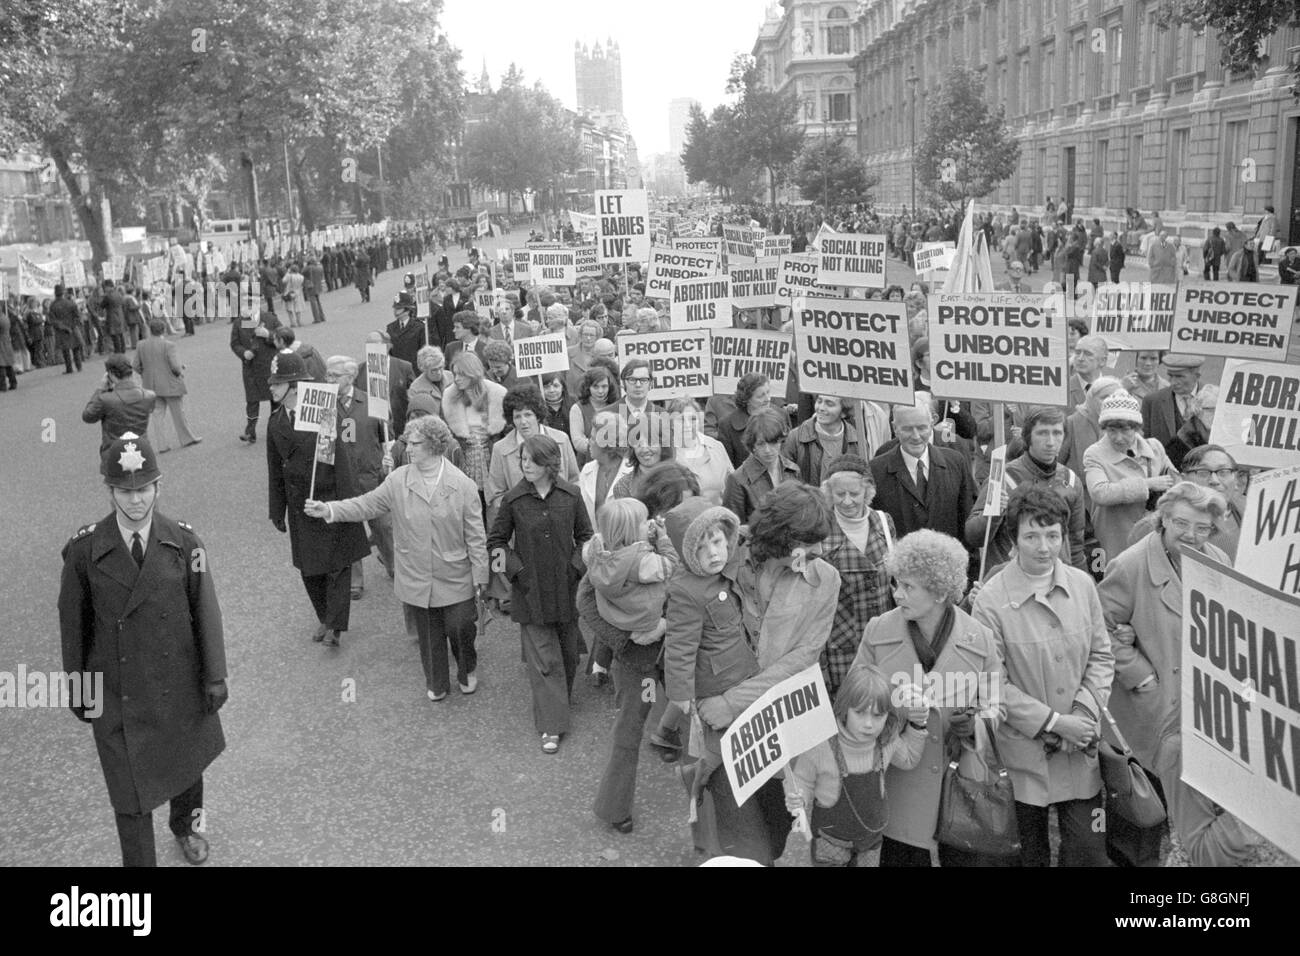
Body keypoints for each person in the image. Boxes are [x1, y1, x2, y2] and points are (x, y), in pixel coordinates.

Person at [58, 431, 227, 866]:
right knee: (128, 795)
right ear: (110, 490)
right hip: (117, 695)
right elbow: (73, 628)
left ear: (158, 486)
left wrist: (215, 675)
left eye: (143, 488)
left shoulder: (184, 543)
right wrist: (78, 689)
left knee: (187, 766)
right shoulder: (84, 552)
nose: (135, 500)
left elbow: (205, 611)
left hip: (179, 681)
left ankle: (187, 827)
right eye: (125, 490)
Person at [1098, 482, 1254, 866]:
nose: (1192, 535)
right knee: (1163, 806)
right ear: (1163, 518)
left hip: (1208, 702)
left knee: (1209, 801)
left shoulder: (1216, 557)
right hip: (1159, 708)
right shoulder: (1132, 564)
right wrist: (1141, 675)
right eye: (1182, 523)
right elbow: (1100, 629)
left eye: (1202, 527)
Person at [696, 484, 841, 865]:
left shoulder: (825, 579)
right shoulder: (723, 556)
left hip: (776, 729)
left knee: (774, 837)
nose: (818, 552)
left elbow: (804, 657)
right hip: (719, 731)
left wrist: (733, 701)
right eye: (808, 543)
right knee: (742, 846)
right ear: (780, 536)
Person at [971, 488, 1114, 866]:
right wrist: (1053, 723)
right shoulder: (989, 600)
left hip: (1080, 750)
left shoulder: (1083, 586)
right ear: (1013, 539)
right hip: (1022, 757)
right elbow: (992, 683)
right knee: (1028, 856)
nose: (1044, 547)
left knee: (1088, 852)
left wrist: (1081, 716)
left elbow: (1102, 655)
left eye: (1052, 535)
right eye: (1031, 536)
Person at [307, 415, 489, 700]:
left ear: (433, 446)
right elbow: (366, 505)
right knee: (429, 635)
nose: (408, 448)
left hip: (455, 573)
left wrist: (481, 579)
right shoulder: (398, 480)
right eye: (408, 443)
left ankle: (467, 669)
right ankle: (437, 682)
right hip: (416, 573)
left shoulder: (463, 485)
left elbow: (477, 537)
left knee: (461, 626)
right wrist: (329, 510)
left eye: (415, 443)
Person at [849, 529, 1002, 866]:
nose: (897, 594)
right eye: (895, 584)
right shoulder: (877, 631)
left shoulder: (980, 638)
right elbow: (854, 700)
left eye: (908, 587)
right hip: (901, 785)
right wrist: (898, 707)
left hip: (961, 787)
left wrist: (976, 723)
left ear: (938, 591)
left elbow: (996, 706)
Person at [487, 434, 593, 754]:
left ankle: (557, 700)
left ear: (549, 463)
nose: (525, 466)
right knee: (544, 659)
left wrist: (576, 568)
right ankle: (551, 725)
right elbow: (496, 543)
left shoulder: (571, 495)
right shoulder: (514, 500)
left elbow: (587, 538)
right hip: (529, 592)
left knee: (568, 654)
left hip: (565, 589)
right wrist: (516, 572)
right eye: (522, 460)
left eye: (531, 460)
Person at [265, 350, 371, 647]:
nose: (271, 388)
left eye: (277, 383)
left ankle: (335, 625)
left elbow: (341, 460)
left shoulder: (323, 411)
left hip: (328, 499)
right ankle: (325, 616)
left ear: (295, 385)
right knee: (310, 568)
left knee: (337, 564)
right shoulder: (275, 422)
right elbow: (274, 470)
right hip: (301, 506)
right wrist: (277, 510)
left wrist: (347, 505)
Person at [784, 664, 928, 866]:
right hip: (830, 842)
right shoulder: (821, 745)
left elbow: (909, 759)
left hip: (870, 842)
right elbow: (803, 781)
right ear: (845, 708)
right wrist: (798, 799)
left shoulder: (886, 741)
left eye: (878, 715)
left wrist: (917, 726)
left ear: (888, 715)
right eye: (860, 713)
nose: (869, 724)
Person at [660, 498, 759, 785]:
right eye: (701, 549)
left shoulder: (733, 556)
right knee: (721, 739)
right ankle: (697, 778)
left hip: (743, 668)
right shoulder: (686, 591)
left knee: (741, 733)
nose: (713, 554)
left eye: (717, 542)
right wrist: (680, 694)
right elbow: (679, 647)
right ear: (688, 554)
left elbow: (746, 536)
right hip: (716, 682)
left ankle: (704, 774)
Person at [966, 405, 1087, 574]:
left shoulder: (1071, 480)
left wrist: (1081, 585)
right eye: (1042, 433)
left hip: (1057, 581)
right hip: (1011, 580)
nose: (1051, 442)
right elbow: (974, 536)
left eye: (1057, 433)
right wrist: (991, 515)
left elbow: (1075, 545)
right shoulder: (1003, 477)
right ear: (1028, 436)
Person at [818, 455, 896, 697]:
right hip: (842, 644)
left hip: (885, 640)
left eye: (854, 493)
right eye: (840, 494)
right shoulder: (820, 528)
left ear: (867, 491)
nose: (848, 501)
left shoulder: (884, 522)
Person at [1083, 390, 1176, 567]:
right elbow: (1100, 493)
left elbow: (1175, 483)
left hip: (1152, 536)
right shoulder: (1094, 453)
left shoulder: (1154, 447)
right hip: (1113, 540)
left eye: (1125, 430)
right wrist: (1147, 485)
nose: (1118, 438)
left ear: (1136, 427)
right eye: (1111, 430)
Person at [870, 403, 976, 546]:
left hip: (947, 563)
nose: (916, 436)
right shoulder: (876, 469)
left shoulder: (955, 462)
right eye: (907, 429)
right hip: (900, 564)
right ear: (895, 428)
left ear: (932, 424)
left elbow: (966, 517)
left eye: (922, 428)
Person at [328, 355, 391, 593]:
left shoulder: (372, 402)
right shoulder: (324, 403)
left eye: (335, 375)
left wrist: (388, 457)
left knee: (383, 527)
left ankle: (394, 565)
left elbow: (387, 436)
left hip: (370, 475)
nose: (329, 379)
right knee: (348, 529)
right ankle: (355, 581)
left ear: (351, 376)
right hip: (341, 478)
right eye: (328, 375)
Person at [1128, 444, 1243, 559]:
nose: (1214, 480)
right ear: (1184, 479)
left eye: (1223, 472)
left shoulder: (1251, 514)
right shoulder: (1152, 525)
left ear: (1236, 478)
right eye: (1203, 472)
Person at [486, 382, 580, 522]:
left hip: (561, 520)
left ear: (537, 415)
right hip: (522, 526)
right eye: (517, 416)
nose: (523, 422)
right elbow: (496, 494)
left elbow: (574, 480)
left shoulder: (561, 439)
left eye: (528, 414)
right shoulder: (501, 449)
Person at [441, 352, 508, 506]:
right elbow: (445, 433)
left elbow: (507, 430)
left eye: (462, 374)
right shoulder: (449, 397)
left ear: (473, 373)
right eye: (455, 374)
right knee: (470, 504)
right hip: (463, 459)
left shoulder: (497, 394)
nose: (457, 379)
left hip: (493, 457)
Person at [134, 318, 201, 452]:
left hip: (150, 385)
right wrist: (180, 371)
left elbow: (136, 365)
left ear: (150, 330)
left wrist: (145, 373)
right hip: (169, 384)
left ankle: (162, 445)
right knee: (178, 414)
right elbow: (175, 366)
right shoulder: (168, 345)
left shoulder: (141, 345)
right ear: (163, 330)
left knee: (157, 416)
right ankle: (186, 438)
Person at [722, 406, 798, 525]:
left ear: (781, 440)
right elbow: (732, 530)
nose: (768, 450)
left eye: (773, 442)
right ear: (752, 445)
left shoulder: (793, 470)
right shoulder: (737, 480)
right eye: (761, 444)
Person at [83, 354, 158, 453]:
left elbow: (88, 416)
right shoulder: (149, 396)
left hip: (114, 452)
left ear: (110, 374)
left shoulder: (105, 400)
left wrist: (101, 389)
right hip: (142, 449)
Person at [1139, 354, 1202, 471]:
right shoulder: (1152, 401)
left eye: (1180, 377)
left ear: (1197, 376)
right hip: (1165, 475)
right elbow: (1143, 444)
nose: (1173, 382)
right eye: (1170, 376)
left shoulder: (1214, 400)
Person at [782, 394, 863, 485]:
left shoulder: (857, 441)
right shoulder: (796, 437)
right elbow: (785, 473)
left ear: (843, 412)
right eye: (819, 401)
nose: (821, 408)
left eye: (829, 404)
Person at [666, 398, 732, 506]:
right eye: (681, 419)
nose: (687, 425)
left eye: (693, 419)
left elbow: (732, 484)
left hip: (719, 516)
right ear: (671, 423)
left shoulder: (716, 446)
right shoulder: (665, 454)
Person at [230, 310, 282, 444]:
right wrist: (243, 353)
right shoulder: (238, 322)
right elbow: (234, 343)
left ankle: (277, 429)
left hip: (269, 365)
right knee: (252, 400)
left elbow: (285, 337)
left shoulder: (270, 318)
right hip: (251, 367)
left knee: (275, 399)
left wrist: (269, 335)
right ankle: (250, 432)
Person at [569, 364, 620, 461]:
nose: (600, 391)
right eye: (595, 387)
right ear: (588, 387)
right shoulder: (577, 409)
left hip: (615, 460)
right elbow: (578, 441)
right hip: (588, 461)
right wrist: (602, 448)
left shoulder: (618, 406)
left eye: (604, 386)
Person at [49, 284, 84, 374]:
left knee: (66, 350)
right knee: (75, 347)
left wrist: (63, 327)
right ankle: (79, 366)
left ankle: (69, 368)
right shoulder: (70, 302)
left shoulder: (53, 305)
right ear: (63, 292)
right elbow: (77, 316)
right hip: (72, 328)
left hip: (62, 330)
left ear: (55, 293)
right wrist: (72, 326)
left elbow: (53, 320)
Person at [281, 262, 305, 328]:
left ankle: (293, 323)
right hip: (298, 293)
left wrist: (287, 273)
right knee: (298, 308)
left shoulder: (289, 276)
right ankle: (299, 321)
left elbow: (283, 281)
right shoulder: (301, 277)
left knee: (290, 309)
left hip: (290, 293)